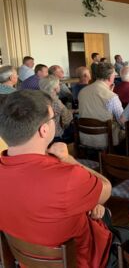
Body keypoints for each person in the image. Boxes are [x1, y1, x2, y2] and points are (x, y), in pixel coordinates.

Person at [0, 90, 112, 267]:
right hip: (78, 261)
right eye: (53, 118)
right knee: (106, 216)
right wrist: (69, 159)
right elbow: (105, 189)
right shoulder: (67, 175)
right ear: (44, 130)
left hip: (23, 260)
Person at [78, 62, 124, 148]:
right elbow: (122, 121)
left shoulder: (82, 91)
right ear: (110, 77)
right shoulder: (112, 97)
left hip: (84, 137)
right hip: (105, 140)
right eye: (114, 75)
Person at [39, 75, 74, 142]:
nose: (60, 86)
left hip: (42, 134)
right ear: (55, 88)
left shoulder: (38, 99)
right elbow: (67, 121)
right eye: (59, 84)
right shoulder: (56, 102)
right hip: (56, 136)